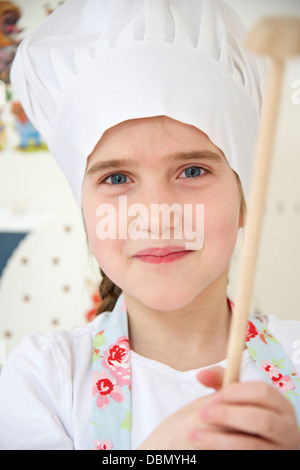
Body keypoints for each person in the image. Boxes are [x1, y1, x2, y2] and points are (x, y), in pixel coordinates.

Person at [0, 0, 299, 450]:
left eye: (193, 171)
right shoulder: (42, 380)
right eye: (117, 178)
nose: (157, 214)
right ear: (86, 214)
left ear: (244, 201)